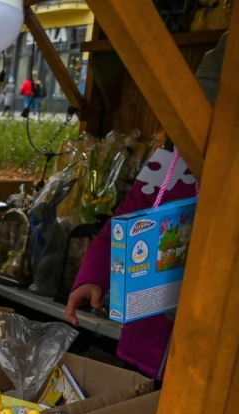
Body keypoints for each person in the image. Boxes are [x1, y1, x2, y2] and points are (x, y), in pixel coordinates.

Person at [64, 32, 226, 380]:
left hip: (205, 364)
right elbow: (120, 228)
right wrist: (90, 279)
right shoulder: (167, 166)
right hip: (143, 346)